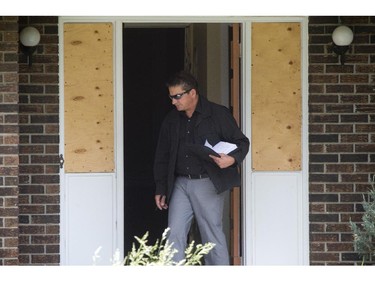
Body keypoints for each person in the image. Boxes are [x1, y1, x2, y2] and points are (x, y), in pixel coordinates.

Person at [153, 71, 249, 265]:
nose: (173, 102)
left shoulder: (218, 114)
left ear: (193, 93)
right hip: (180, 183)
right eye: (171, 97)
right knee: (174, 233)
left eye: (177, 96)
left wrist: (231, 160)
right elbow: (162, 156)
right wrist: (161, 187)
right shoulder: (172, 120)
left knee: (211, 234)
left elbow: (242, 142)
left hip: (207, 181)